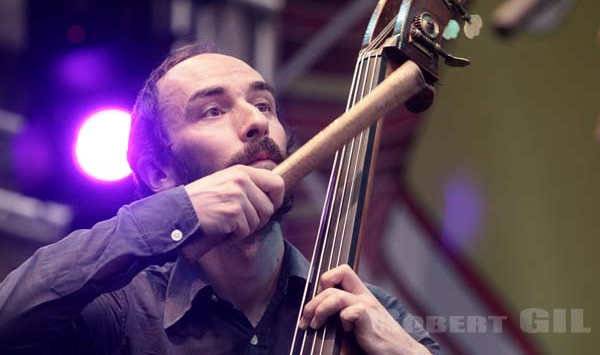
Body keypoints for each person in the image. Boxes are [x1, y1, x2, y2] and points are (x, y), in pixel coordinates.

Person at [0, 43, 441, 354]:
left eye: (264, 105)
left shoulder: (372, 315)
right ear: (159, 172)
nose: (255, 122)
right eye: (213, 110)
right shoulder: (121, 311)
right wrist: (179, 212)